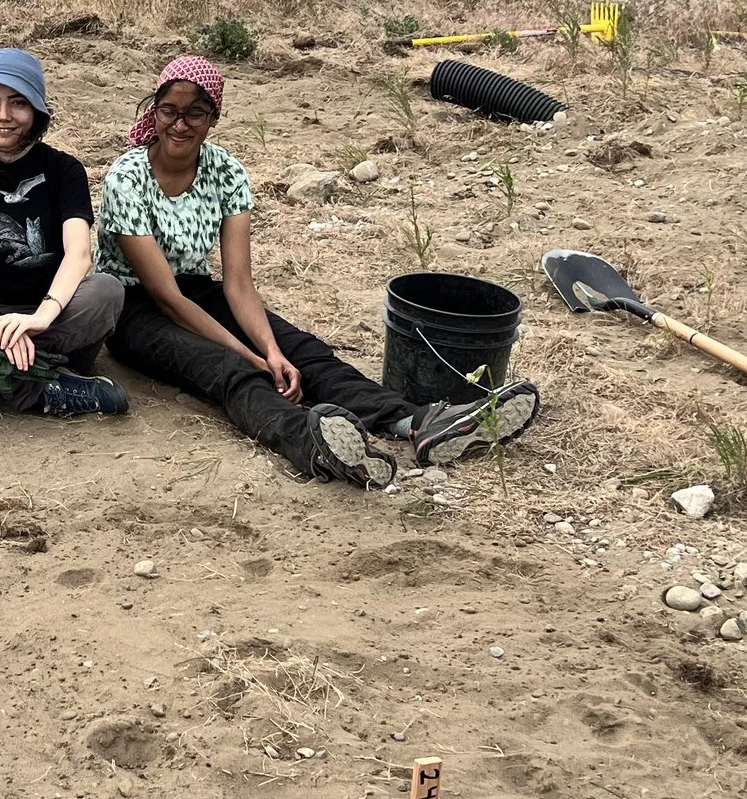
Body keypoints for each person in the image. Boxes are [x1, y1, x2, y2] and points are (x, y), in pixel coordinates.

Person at [97, 55, 538, 485]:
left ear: (214, 116)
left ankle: (417, 422)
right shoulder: (128, 177)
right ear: (153, 112)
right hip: (133, 306)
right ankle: (312, 442)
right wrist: (251, 356)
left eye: (195, 113)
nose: (180, 124)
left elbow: (238, 283)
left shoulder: (225, 170)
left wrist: (270, 348)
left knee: (302, 352)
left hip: (197, 288)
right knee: (229, 369)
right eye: (169, 111)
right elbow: (166, 299)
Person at [0, 47, 127, 419]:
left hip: (50, 314)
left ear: (36, 111)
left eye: (18, 103)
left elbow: (79, 254)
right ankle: (51, 389)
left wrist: (41, 318)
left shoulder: (65, 170)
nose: (3, 116)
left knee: (107, 290)